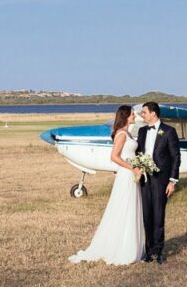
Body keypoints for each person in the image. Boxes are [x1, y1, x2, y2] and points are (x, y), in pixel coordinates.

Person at [68, 105, 145, 265]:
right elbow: (114, 157)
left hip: (131, 174)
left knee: (130, 207)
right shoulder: (122, 134)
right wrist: (133, 168)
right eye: (132, 114)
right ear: (125, 117)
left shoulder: (128, 133)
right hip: (126, 174)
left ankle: (129, 245)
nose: (135, 116)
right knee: (124, 206)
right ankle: (121, 247)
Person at [135, 101, 180, 264]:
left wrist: (172, 181)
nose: (142, 115)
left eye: (144, 112)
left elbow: (176, 157)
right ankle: (148, 251)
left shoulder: (169, 131)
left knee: (158, 215)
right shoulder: (141, 131)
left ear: (153, 113)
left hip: (161, 180)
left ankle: (158, 251)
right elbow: (138, 153)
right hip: (144, 180)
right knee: (146, 215)